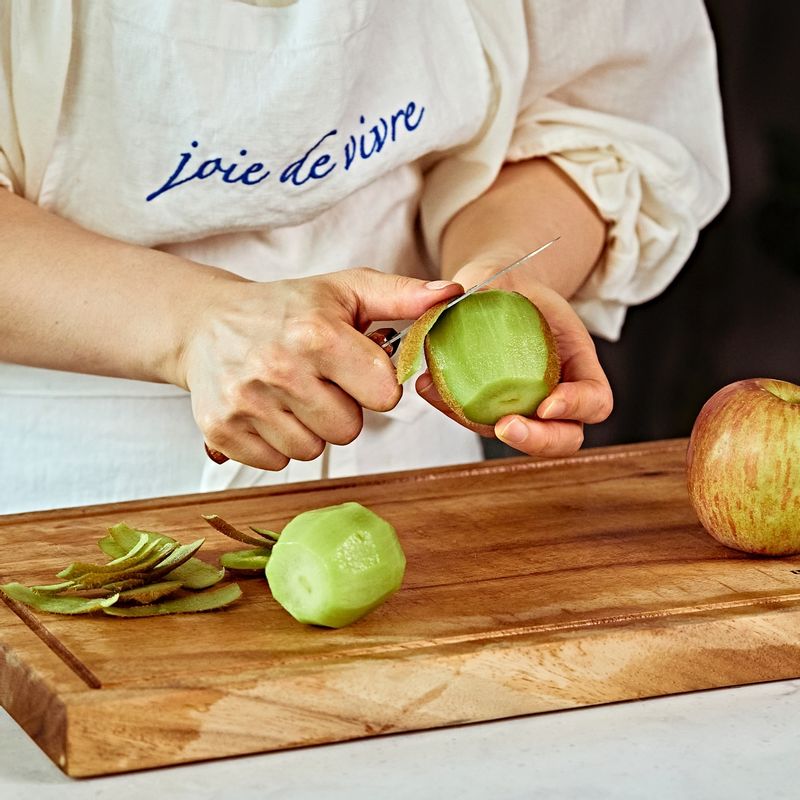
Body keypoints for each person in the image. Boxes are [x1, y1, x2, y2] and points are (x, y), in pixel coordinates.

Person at [0, 0, 729, 514]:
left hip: (411, 478)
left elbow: (586, 110)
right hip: (64, 499)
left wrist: (501, 277)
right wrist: (193, 325)